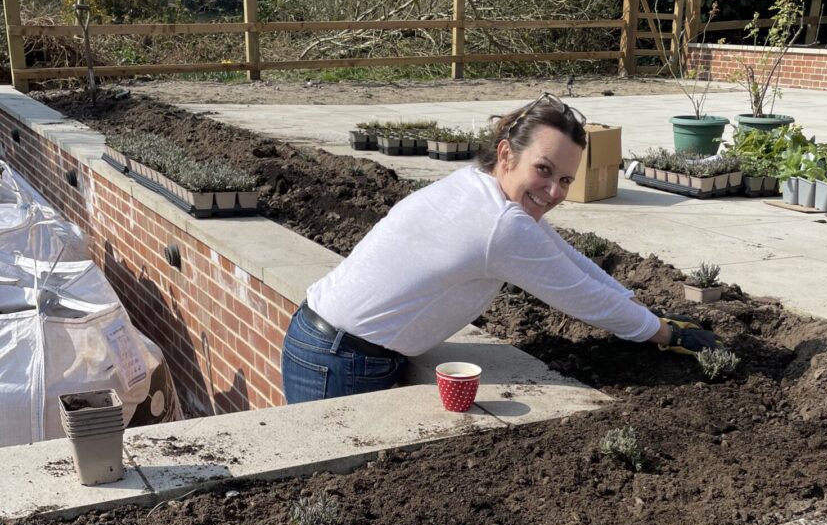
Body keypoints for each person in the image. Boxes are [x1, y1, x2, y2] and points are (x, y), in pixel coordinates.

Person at [281, 94, 717, 403]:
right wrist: (667, 334)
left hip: (331, 343)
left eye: (565, 180)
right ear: (506, 154)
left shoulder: (479, 190)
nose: (553, 190)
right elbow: (581, 298)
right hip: (341, 360)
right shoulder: (500, 224)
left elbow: (563, 253)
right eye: (543, 170)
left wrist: (636, 306)